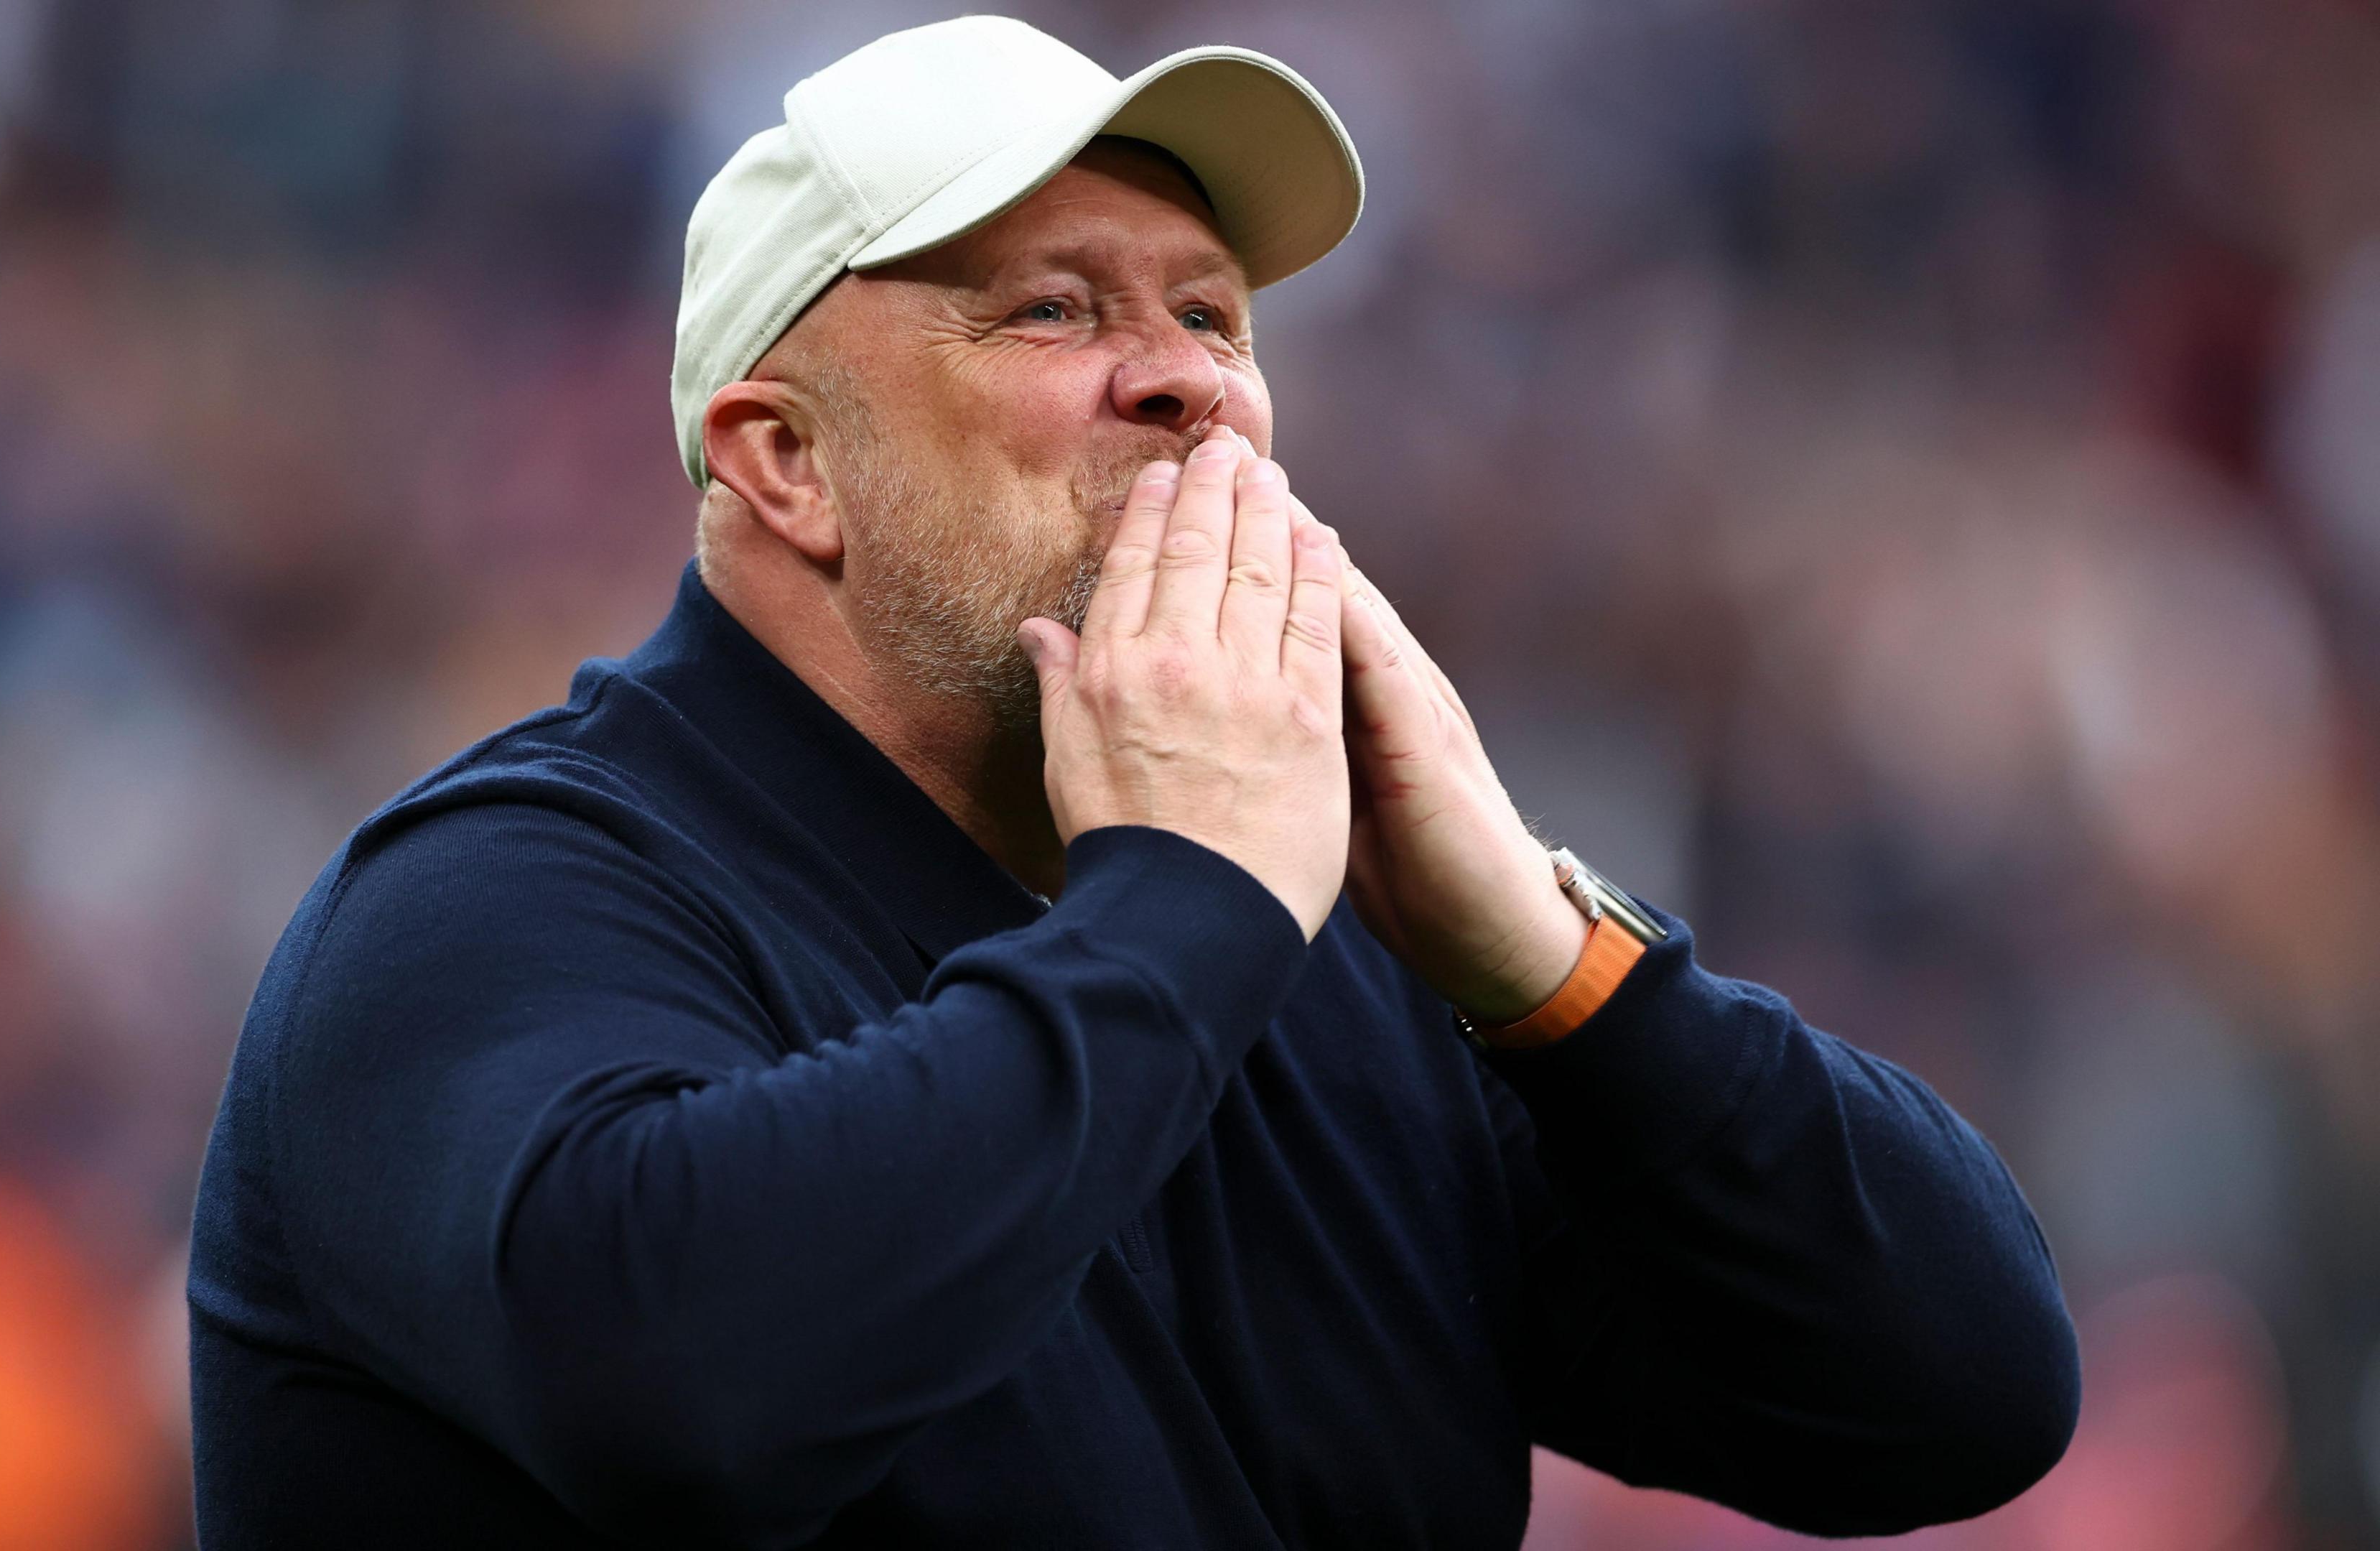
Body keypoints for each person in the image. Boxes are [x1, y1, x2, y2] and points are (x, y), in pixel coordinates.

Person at [187, 17, 2081, 1547]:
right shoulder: (489, 905)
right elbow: (691, 1383)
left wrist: (1550, 961)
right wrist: (1186, 899)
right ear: (783, 461)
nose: (1194, 387)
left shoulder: (1330, 965)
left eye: (1214, 315)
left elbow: (1954, 1395)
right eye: (1056, 310)